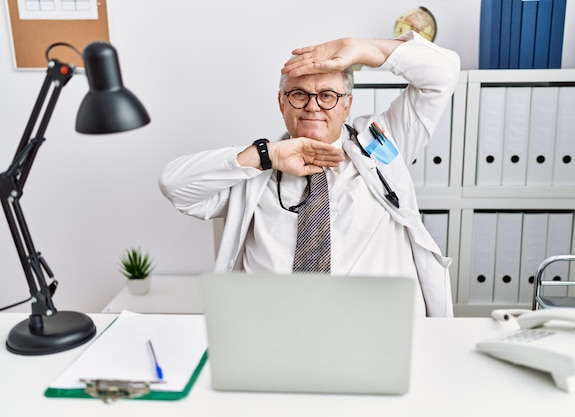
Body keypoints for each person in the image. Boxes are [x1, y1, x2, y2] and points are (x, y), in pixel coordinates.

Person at [158, 31, 460, 317]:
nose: (312, 106)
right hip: (273, 335)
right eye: (299, 94)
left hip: (370, 330)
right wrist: (268, 155)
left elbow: (442, 73)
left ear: (347, 105)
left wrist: (361, 49)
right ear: (282, 103)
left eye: (327, 95)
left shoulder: (383, 144)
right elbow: (175, 186)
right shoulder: (255, 172)